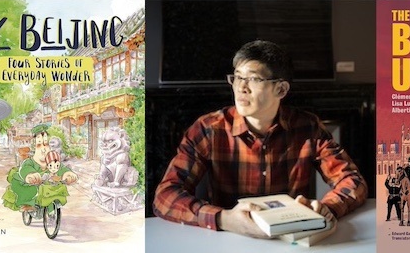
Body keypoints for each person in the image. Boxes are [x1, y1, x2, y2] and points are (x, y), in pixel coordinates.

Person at [153, 40, 367, 238]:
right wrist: (223, 218)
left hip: (291, 238)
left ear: (281, 89)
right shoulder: (208, 128)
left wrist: (327, 207)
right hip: (231, 238)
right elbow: (165, 196)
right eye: (237, 77)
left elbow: (353, 181)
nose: (241, 87)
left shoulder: (307, 127)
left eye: (254, 79)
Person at [10, 124, 78, 212]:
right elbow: (25, 168)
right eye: (39, 144)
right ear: (34, 147)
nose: (44, 149)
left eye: (46, 144)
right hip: (35, 186)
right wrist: (30, 175)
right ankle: (28, 203)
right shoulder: (30, 162)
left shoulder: (51, 161)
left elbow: (60, 168)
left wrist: (68, 174)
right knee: (28, 187)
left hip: (48, 187)